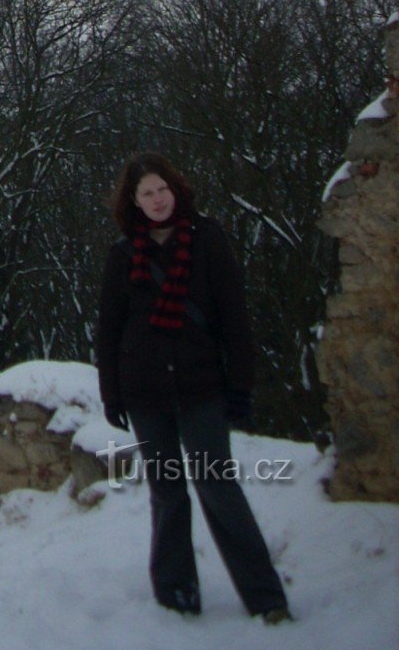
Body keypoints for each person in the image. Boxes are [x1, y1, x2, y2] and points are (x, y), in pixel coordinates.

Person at [96, 152, 291, 624]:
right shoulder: (124, 255)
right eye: (147, 193)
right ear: (134, 202)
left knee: (218, 487)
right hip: (145, 392)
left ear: (176, 189)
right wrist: (112, 393)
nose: (157, 199)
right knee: (166, 493)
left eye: (162, 189)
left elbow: (234, 319)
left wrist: (240, 387)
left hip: (202, 387)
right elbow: (109, 329)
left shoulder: (207, 240)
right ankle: (175, 595)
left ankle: (266, 599)